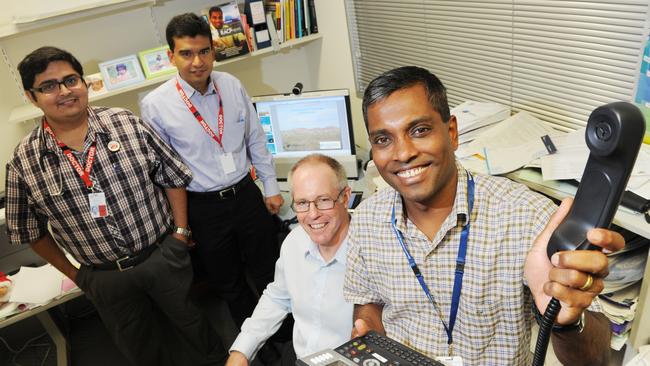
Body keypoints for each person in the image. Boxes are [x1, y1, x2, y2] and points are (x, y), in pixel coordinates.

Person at [343, 66, 624, 365]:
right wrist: (369, 332)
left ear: (451, 132)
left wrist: (565, 322)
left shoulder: (528, 219)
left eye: (419, 130)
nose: (402, 153)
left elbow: (595, 359)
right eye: (383, 139)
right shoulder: (366, 220)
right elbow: (368, 302)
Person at [6, 46, 228, 366]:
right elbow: (30, 231)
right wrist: (77, 275)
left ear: (84, 83)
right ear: (31, 96)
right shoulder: (23, 162)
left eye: (71, 80)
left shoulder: (126, 124)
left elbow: (172, 175)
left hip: (161, 257)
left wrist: (179, 234)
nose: (65, 91)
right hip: (104, 277)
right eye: (49, 86)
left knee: (195, 326)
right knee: (139, 346)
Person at [140, 13, 284, 329]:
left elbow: (255, 137)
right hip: (203, 208)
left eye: (204, 51)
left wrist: (271, 186)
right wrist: (180, 225)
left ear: (213, 50)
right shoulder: (156, 105)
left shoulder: (231, 85)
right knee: (228, 280)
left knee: (268, 269)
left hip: (246, 194)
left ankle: (283, 331)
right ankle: (255, 341)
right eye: (186, 53)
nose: (197, 62)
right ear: (171, 56)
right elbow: (164, 171)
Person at [226, 154, 353, 366]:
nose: (312, 215)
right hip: (300, 358)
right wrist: (241, 350)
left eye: (323, 200)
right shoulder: (294, 241)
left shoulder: (373, 251)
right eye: (302, 203)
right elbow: (277, 297)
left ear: (345, 197)